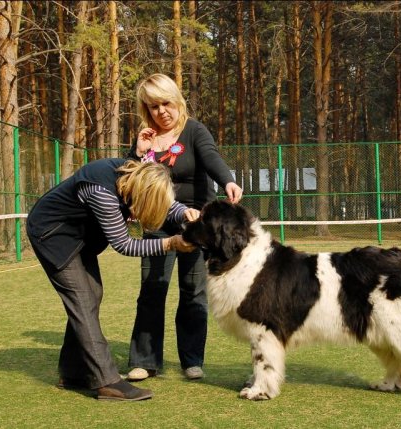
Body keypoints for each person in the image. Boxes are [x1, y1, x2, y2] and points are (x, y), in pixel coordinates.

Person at [27, 158, 199, 401]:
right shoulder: (102, 192)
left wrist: (185, 212)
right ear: (144, 194)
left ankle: (73, 373)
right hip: (52, 233)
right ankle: (107, 381)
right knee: (83, 301)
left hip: (79, 233)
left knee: (93, 295)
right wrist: (170, 243)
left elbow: (166, 203)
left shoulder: (137, 177)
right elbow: (123, 244)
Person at [125, 73, 242, 382]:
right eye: (153, 106)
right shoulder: (145, 138)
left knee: (193, 292)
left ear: (177, 101)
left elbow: (212, 158)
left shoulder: (194, 131)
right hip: (157, 222)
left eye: (165, 103)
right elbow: (129, 176)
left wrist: (227, 179)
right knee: (152, 290)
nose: (161, 111)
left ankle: (192, 359)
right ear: (145, 109)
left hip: (196, 225)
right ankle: (144, 360)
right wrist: (137, 153)